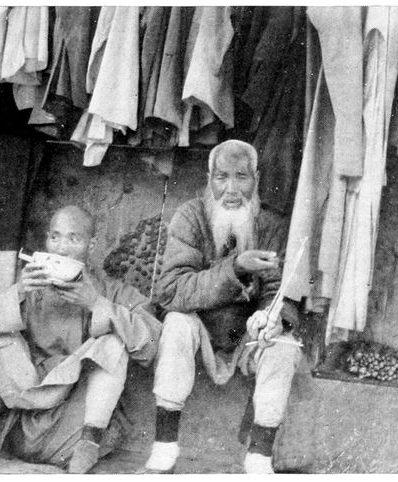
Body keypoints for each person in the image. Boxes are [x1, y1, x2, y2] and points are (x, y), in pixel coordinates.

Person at [0, 205, 161, 473]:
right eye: (55, 237)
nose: (61, 249)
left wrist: (96, 303)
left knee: (112, 343)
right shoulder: (31, 286)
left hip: (74, 428)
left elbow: (152, 345)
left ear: (91, 244)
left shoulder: (113, 291)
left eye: (74, 239)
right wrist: (17, 293)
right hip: (23, 421)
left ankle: (87, 449)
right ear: (47, 241)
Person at [142, 140, 303, 474]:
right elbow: (171, 291)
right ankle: (164, 446)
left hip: (241, 334)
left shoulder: (271, 224)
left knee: (283, 345)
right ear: (209, 179)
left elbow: (279, 290)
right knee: (177, 323)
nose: (231, 189)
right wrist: (236, 268)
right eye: (221, 177)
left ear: (256, 178)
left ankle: (260, 456)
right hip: (199, 330)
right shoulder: (191, 216)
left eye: (241, 177)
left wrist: (272, 317)